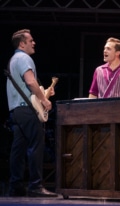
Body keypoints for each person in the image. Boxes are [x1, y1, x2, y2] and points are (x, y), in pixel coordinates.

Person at [6, 29, 57, 197]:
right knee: (36, 145)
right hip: (26, 109)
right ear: (22, 43)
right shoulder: (24, 58)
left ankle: (16, 186)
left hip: (16, 110)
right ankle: (35, 185)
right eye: (30, 40)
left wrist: (42, 92)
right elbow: (30, 82)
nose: (34, 43)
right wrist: (44, 99)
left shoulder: (14, 59)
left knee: (18, 149)